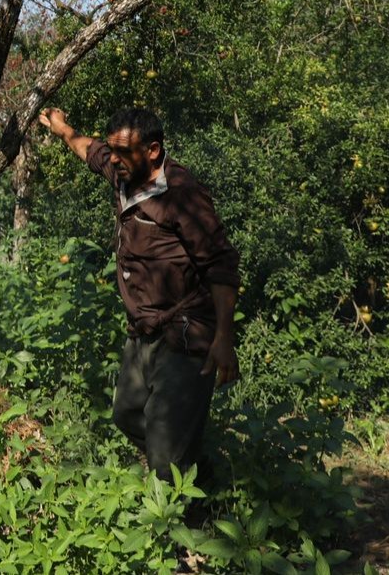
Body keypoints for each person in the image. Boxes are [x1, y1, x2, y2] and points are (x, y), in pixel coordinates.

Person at [38, 106, 240, 481]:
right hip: (143, 330)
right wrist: (63, 128)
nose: (114, 159)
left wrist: (223, 339)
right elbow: (89, 149)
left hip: (185, 332)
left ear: (152, 150)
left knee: (165, 456)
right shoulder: (122, 171)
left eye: (123, 151)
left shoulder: (182, 197)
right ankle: (190, 469)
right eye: (113, 151)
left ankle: (182, 512)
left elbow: (222, 267)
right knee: (127, 414)